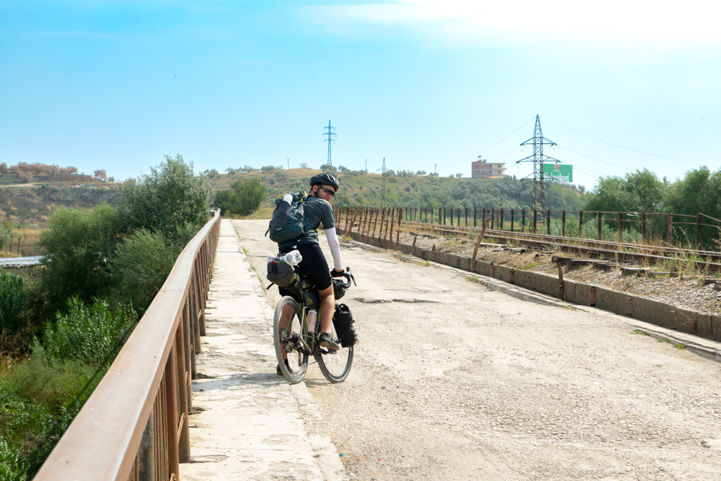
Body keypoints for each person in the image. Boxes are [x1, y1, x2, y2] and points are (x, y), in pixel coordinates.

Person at [276, 173, 346, 374]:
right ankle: (324, 334)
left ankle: (282, 363)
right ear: (315, 188)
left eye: (333, 194)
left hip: (286, 254)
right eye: (327, 191)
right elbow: (333, 242)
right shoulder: (323, 206)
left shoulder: (294, 204)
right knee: (328, 293)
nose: (330, 196)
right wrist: (339, 268)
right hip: (308, 251)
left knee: (289, 305)